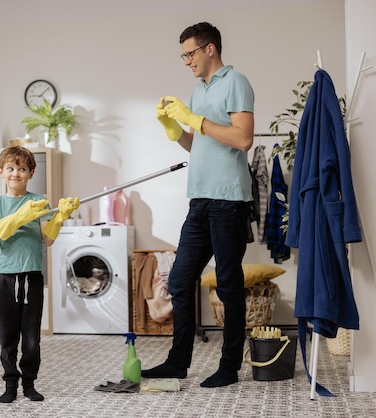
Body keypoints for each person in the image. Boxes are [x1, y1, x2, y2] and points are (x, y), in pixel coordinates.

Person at [142, 22, 254, 388]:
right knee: (179, 279)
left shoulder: (236, 82)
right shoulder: (198, 88)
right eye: (183, 55)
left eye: (190, 53)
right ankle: (178, 363)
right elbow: (199, 145)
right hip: (201, 199)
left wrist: (195, 120)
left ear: (210, 49)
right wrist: (174, 129)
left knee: (227, 282)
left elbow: (243, 138)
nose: (186, 61)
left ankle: (230, 366)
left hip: (229, 200)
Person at [0, 146, 79, 403]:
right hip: (7, 278)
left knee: (32, 337)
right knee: (8, 336)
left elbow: (47, 239)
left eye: (22, 169)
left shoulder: (39, 202)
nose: (16, 174)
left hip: (32, 276)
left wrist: (60, 217)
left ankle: (29, 383)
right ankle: (10, 384)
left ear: (31, 173)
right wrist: (16, 218)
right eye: (11, 169)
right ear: (1, 172)